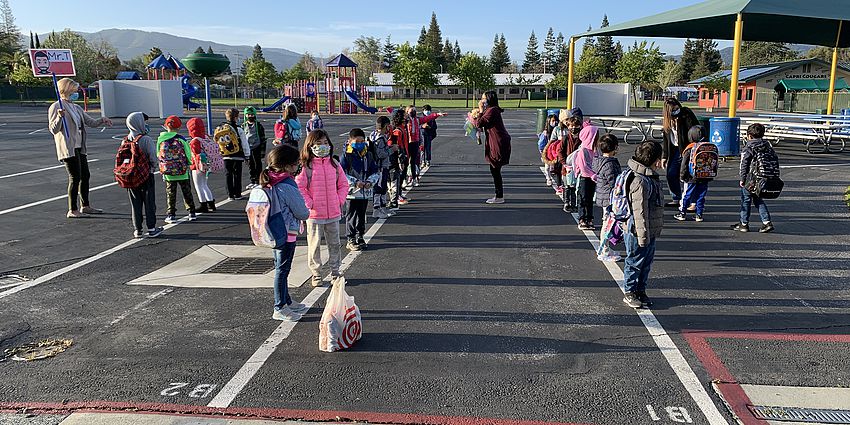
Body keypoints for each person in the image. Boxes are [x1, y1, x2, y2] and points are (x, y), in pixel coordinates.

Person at [48, 77, 113, 218]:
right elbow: (53, 129)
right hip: (68, 147)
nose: (77, 92)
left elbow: (90, 122)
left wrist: (102, 120)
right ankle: (72, 209)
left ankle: (85, 205)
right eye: (74, 90)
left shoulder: (76, 107)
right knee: (75, 177)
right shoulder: (56, 107)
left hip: (79, 146)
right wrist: (59, 117)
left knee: (85, 175)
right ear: (66, 90)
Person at [260, 144, 311, 321]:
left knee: (281, 267)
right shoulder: (286, 184)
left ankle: (286, 301)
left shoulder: (270, 180)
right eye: (296, 163)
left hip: (274, 230)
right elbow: (302, 212)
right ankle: (279, 306)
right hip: (287, 232)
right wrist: (308, 210)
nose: (298, 166)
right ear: (288, 165)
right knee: (282, 270)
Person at [295, 129, 350, 287]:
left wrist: (339, 200)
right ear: (310, 146)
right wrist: (309, 203)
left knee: (334, 243)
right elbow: (300, 187)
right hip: (314, 214)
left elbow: (343, 184)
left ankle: (336, 271)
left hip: (333, 212)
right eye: (318, 144)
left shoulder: (334, 163)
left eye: (325, 143)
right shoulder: (306, 166)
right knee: (314, 245)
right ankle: (316, 273)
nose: (323, 146)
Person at [623, 141, 665, 309]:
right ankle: (630, 291)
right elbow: (639, 212)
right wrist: (643, 236)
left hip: (648, 228)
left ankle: (640, 289)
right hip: (638, 229)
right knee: (635, 260)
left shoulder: (647, 176)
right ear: (654, 159)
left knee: (646, 261)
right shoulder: (640, 181)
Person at [123, 112, 163, 238]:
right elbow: (153, 158)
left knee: (135, 203)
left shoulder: (125, 140)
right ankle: (151, 228)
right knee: (149, 202)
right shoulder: (146, 139)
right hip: (145, 175)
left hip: (130, 176)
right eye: (144, 122)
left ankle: (137, 229)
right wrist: (152, 168)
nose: (145, 124)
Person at [732, 123, 776, 233]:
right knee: (758, 199)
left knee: (746, 200)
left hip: (751, 179)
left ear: (749, 136)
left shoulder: (749, 147)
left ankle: (744, 224)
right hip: (763, 178)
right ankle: (767, 222)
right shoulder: (767, 145)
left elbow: (744, 164)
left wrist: (742, 178)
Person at [341, 128, 380, 251]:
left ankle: (360, 235)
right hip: (351, 193)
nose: (360, 143)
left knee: (362, 214)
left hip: (365, 192)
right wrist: (355, 182)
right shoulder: (346, 156)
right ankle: (351, 237)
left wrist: (370, 181)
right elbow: (341, 174)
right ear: (350, 141)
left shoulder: (367, 155)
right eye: (357, 141)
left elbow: (375, 171)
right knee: (351, 214)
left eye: (362, 141)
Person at [471, 91, 511, 204]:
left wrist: (480, 109)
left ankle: (499, 197)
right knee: (494, 169)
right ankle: (499, 196)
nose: (481, 100)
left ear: (488, 99)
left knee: (495, 168)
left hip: (498, 142)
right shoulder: (491, 110)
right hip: (495, 141)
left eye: (483, 98)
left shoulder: (492, 110)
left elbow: (479, 123)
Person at [660, 97, 699, 208]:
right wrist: (665, 156)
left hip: (688, 148)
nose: (676, 111)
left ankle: (693, 202)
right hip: (675, 150)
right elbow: (666, 139)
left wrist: (680, 119)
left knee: (689, 175)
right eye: (673, 110)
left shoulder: (685, 113)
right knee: (671, 174)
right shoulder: (667, 121)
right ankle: (676, 197)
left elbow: (694, 129)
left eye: (677, 108)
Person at [157, 116, 197, 223]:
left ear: (166, 126)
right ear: (179, 127)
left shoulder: (161, 139)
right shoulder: (181, 139)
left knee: (171, 193)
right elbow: (188, 154)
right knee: (187, 192)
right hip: (182, 171)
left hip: (168, 173)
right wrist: (189, 163)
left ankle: (171, 214)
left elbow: (158, 154)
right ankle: (191, 212)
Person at [674, 125, 715, 223]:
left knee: (687, 195)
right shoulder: (709, 147)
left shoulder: (690, 148)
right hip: (705, 176)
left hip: (691, 177)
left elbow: (684, 164)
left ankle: (682, 213)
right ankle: (699, 214)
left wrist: (682, 176)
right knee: (701, 196)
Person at [593, 134, 622, 261]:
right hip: (609, 197)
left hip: (603, 196)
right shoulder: (609, 164)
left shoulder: (600, 161)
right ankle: (603, 250)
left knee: (607, 223)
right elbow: (614, 182)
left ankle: (605, 248)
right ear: (615, 147)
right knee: (607, 224)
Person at [404, 105, 445, 187]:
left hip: (415, 143)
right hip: (407, 143)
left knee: (414, 161)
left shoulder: (417, 120)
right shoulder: (405, 121)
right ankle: (405, 179)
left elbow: (427, 118)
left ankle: (414, 178)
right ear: (407, 112)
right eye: (411, 111)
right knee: (405, 162)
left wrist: (437, 114)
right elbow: (395, 116)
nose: (413, 112)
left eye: (414, 111)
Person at [218, 108, 251, 200]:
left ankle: (230, 194)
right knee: (237, 174)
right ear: (236, 117)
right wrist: (247, 155)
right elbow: (244, 143)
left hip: (225, 155)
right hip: (237, 155)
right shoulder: (238, 129)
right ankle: (237, 193)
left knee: (228, 174)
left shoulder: (221, 128)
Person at [187, 117, 216, 213]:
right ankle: (211, 203)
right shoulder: (205, 137)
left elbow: (195, 154)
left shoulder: (195, 141)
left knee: (198, 185)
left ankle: (203, 204)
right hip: (206, 164)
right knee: (204, 184)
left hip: (197, 166)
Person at [574, 125, 600, 230]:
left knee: (590, 199)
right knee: (582, 198)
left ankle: (589, 218)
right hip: (585, 178)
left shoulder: (596, 150)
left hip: (593, 178)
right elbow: (583, 167)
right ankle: (582, 218)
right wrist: (593, 174)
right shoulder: (582, 151)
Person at [369, 115, 394, 218]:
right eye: (388, 126)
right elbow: (381, 153)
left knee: (383, 188)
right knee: (379, 187)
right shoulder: (380, 138)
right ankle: (376, 209)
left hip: (382, 166)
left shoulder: (374, 135)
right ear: (385, 126)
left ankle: (383, 207)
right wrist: (392, 149)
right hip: (380, 166)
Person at [560, 116, 584, 213]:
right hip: (567, 167)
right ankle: (567, 203)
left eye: (576, 126)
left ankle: (574, 204)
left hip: (578, 166)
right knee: (567, 185)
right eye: (571, 126)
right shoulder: (566, 138)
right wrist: (564, 163)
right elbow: (560, 151)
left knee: (575, 186)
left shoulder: (582, 138)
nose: (573, 128)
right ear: (568, 126)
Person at [388, 109, 410, 206]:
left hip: (404, 154)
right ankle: (396, 197)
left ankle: (399, 194)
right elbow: (397, 145)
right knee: (398, 178)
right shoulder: (397, 130)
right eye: (405, 115)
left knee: (402, 176)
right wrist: (401, 159)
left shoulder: (402, 128)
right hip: (399, 157)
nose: (407, 116)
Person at [243, 106, 268, 189]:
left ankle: (258, 180)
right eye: (248, 115)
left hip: (257, 146)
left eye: (251, 115)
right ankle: (252, 180)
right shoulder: (244, 126)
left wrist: (262, 151)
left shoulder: (258, 126)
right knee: (251, 165)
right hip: (248, 147)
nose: (250, 116)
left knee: (258, 164)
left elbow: (263, 138)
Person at [539, 114, 558, 186]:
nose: (555, 122)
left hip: (556, 151)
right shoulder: (545, 133)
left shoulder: (558, 130)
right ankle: (548, 178)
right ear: (548, 121)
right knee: (547, 167)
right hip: (548, 151)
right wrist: (542, 152)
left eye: (556, 120)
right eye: (553, 121)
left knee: (556, 167)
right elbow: (541, 143)